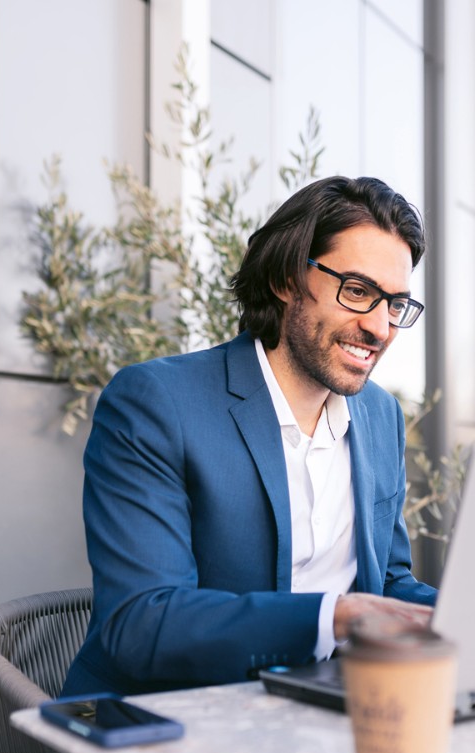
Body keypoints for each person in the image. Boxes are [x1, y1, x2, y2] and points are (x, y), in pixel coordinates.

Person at [61, 176, 437, 697]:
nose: (379, 328)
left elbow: (389, 584)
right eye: (357, 292)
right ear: (287, 279)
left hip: (321, 714)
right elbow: (142, 622)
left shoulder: (380, 417)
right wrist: (335, 617)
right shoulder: (156, 403)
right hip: (167, 727)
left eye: (395, 304)